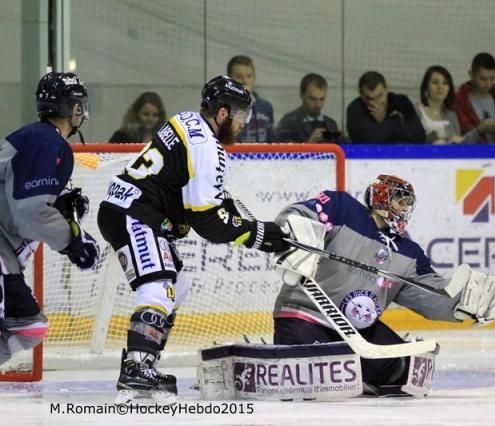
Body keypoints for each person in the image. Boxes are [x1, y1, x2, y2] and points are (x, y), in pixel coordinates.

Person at [97, 75, 290, 404]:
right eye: (241, 115)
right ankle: (136, 369)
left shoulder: (186, 119)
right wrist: (257, 234)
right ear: (223, 113)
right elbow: (206, 222)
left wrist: (227, 215)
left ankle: (144, 365)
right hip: (135, 213)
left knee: (178, 284)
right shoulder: (208, 148)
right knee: (159, 284)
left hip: (127, 208)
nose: (243, 123)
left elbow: (188, 193)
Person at [272, 175, 495, 392]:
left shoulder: (409, 252)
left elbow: (430, 294)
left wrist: (463, 304)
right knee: (305, 378)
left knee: (403, 373)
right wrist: (296, 238)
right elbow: (296, 215)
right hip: (306, 315)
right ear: (381, 199)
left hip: (359, 332)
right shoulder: (343, 207)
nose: (404, 208)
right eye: (400, 200)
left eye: (408, 204)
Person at [0, 72, 99, 367]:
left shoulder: (38, 138)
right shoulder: (45, 141)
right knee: (25, 325)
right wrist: (72, 240)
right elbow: (30, 213)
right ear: (74, 108)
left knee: (27, 326)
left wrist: (58, 208)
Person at [346, 71, 425, 143]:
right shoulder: (355, 109)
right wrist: (394, 120)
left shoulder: (401, 102)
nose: (377, 102)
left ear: (386, 89)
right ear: (361, 95)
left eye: (380, 95)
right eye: (370, 99)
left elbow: (419, 137)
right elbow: (368, 142)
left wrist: (382, 125)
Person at [454, 52, 495, 144]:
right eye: (483, 79)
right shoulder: (459, 101)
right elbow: (455, 139)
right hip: (473, 156)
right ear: (471, 74)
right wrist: (479, 131)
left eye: (492, 79)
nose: (488, 84)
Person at [274, 73, 340, 143]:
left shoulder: (331, 124)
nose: (318, 105)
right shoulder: (289, 123)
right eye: (313, 99)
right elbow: (283, 152)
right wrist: (309, 145)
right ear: (302, 95)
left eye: (322, 99)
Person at [416, 66, 471, 144]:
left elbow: (458, 143)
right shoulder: (416, 111)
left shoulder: (452, 115)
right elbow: (412, 141)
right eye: (435, 82)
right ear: (426, 87)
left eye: (445, 83)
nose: (440, 87)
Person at [227, 55, 274, 142]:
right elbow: (229, 139)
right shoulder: (223, 107)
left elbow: (271, 140)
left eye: (249, 76)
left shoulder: (266, 107)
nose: (245, 81)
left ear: (254, 77)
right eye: (238, 77)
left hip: (261, 155)